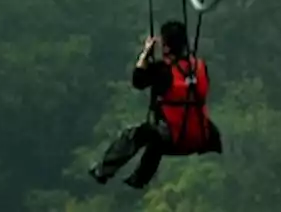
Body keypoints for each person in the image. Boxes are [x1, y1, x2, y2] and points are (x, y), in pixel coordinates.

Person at [90, 19, 222, 190]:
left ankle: (104, 171)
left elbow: (138, 80)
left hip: (174, 139)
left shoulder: (162, 71)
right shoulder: (200, 67)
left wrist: (145, 54)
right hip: (202, 138)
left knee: (139, 134)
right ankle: (138, 179)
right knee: (155, 139)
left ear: (166, 47)